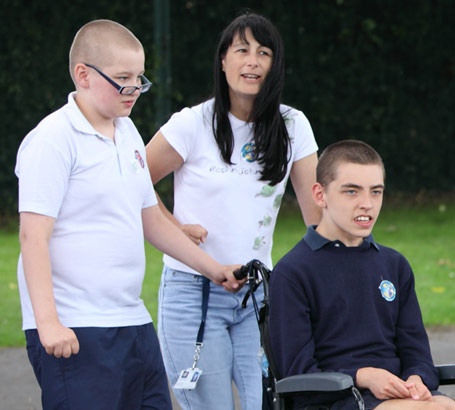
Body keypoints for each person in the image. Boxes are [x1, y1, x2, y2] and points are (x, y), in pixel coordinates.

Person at [15, 19, 241, 410]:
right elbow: (33, 237)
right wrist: (49, 322)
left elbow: (149, 218)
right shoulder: (51, 140)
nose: (135, 89)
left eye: (140, 77)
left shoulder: (129, 132)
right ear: (83, 75)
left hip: (133, 321)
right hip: (76, 326)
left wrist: (212, 268)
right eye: (123, 78)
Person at [145, 12, 321, 410]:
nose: (252, 61)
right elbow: (133, 182)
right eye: (241, 50)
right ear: (223, 60)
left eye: (264, 52)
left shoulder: (293, 125)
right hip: (192, 294)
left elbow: (318, 216)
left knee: (271, 404)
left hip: (258, 298)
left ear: (276, 65)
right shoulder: (192, 123)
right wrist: (173, 227)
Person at [269, 140, 455, 410]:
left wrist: (416, 378)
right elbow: (298, 374)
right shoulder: (292, 272)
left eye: (376, 192)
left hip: (401, 397)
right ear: (320, 195)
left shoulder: (394, 265)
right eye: (351, 192)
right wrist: (363, 376)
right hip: (334, 400)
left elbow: (417, 353)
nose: (367, 204)